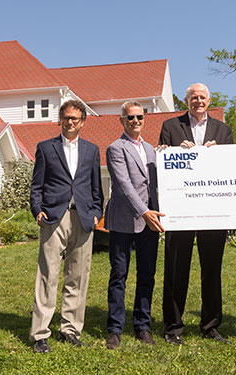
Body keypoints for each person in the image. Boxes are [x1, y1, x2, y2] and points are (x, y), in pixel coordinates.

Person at [158, 83, 233, 344]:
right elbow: (162, 162)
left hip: (213, 210)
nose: (198, 101)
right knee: (177, 269)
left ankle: (211, 325)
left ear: (209, 100)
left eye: (202, 97)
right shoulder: (170, 127)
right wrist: (174, 151)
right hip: (181, 210)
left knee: (211, 270)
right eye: (193, 97)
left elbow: (234, 167)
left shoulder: (223, 130)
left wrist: (218, 154)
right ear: (187, 100)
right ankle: (173, 326)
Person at [28, 100, 104, 354]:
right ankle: (40, 334)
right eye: (66, 117)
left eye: (75, 118)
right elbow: (36, 185)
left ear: (83, 121)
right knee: (48, 275)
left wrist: (96, 213)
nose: (71, 122)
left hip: (82, 218)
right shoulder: (46, 148)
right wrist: (37, 209)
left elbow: (96, 189)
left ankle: (70, 329)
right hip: (53, 217)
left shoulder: (92, 151)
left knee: (78, 278)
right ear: (60, 120)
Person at [104, 101, 166, 350]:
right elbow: (123, 185)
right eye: (130, 117)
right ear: (122, 120)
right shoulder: (115, 148)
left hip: (150, 224)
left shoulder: (152, 150)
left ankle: (143, 326)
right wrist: (144, 212)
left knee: (147, 276)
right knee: (119, 275)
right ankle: (115, 329)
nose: (135, 121)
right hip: (123, 221)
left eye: (139, 116)